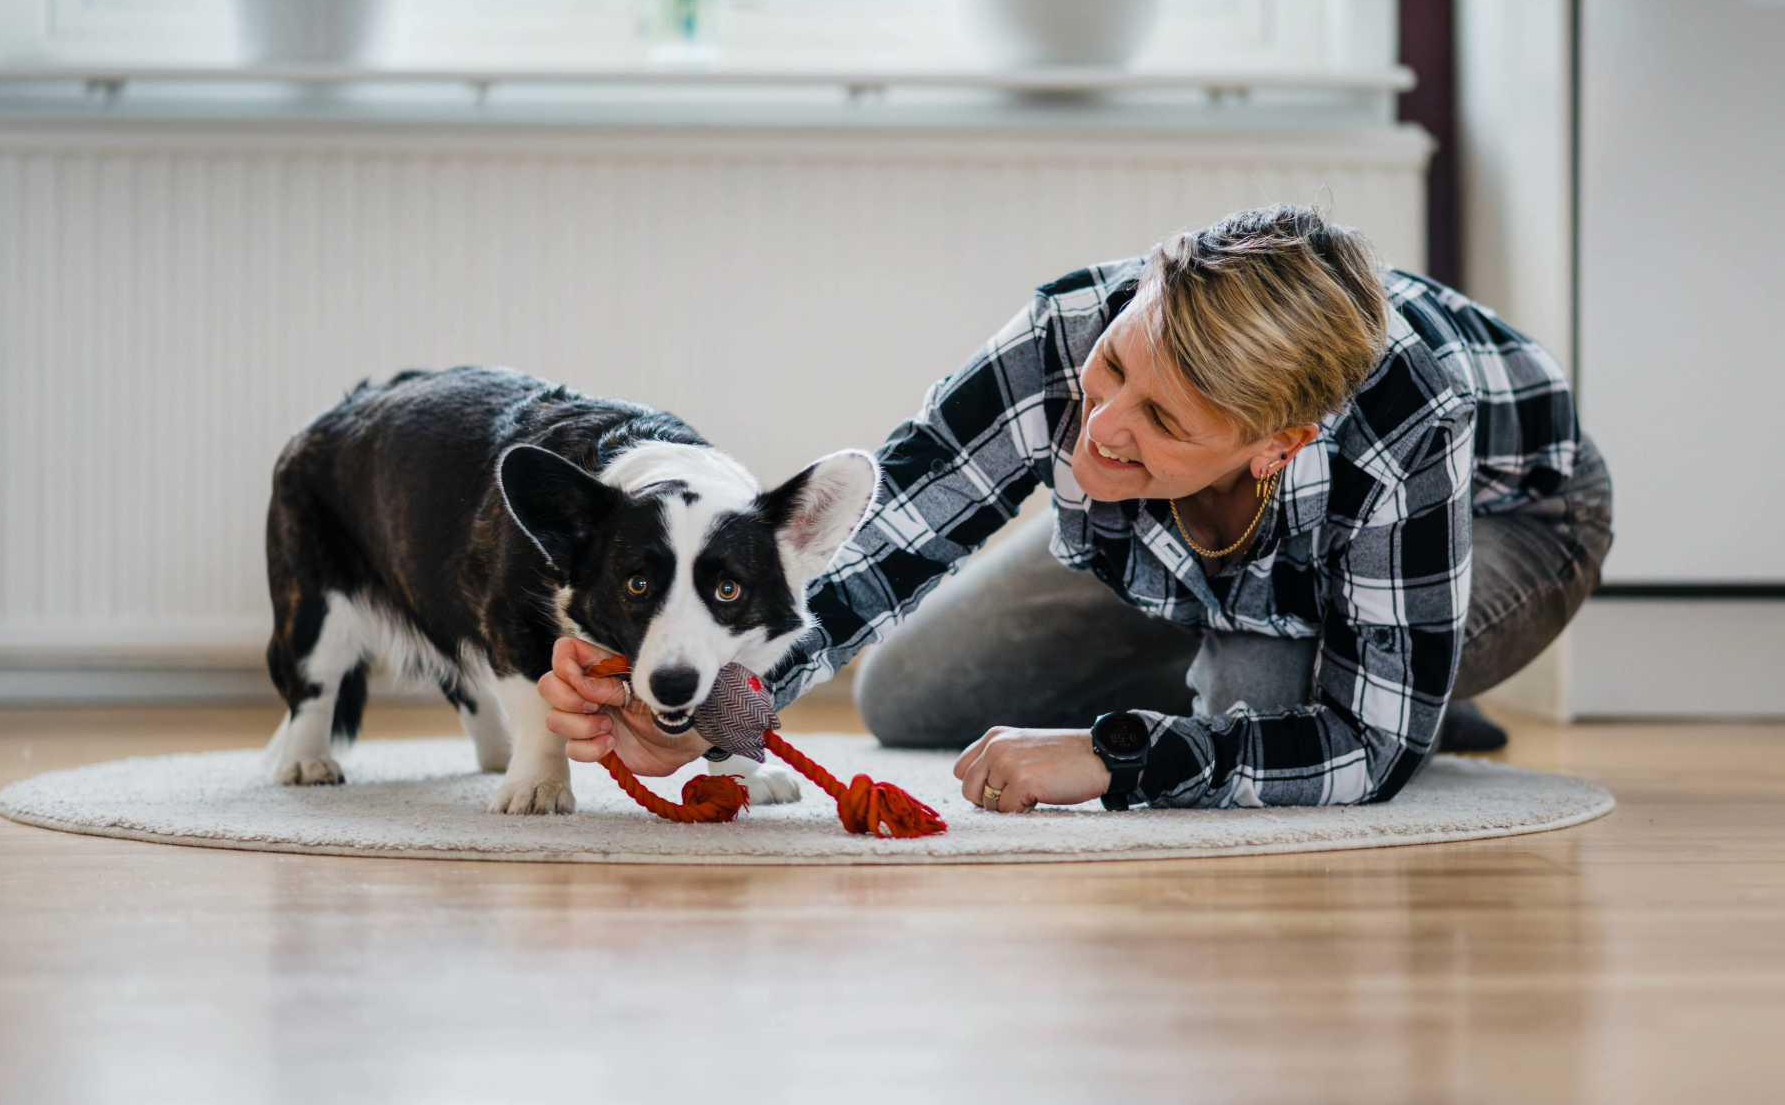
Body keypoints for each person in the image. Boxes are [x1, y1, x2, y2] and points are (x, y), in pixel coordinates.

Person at [539, 205, 1612, 814]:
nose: (1101, 428)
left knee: (1262, 706)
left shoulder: (1404, 425)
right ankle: (1322, 666)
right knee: (915, 690)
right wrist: (712, 698)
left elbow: (1363, 754)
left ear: (1276, 441)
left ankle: (1384, 672)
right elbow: (899, 525)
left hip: (1514, 518)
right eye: (1116, 371)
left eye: (1163, 422)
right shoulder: (1070, 329)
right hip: (1180, 540)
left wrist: (1117, 752)